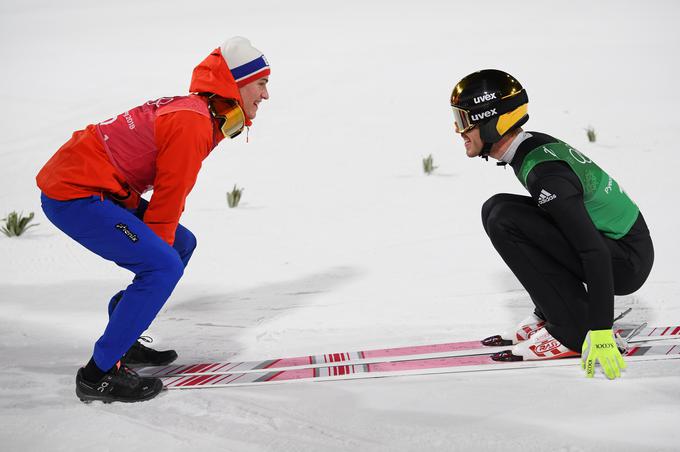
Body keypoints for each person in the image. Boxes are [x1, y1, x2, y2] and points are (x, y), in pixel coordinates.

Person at [36, 37, 270, 402]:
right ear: (235, 84)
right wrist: (156, 264)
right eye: (261, 83)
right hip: (74, 192)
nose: (266, 95)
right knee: (162, 265)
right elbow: (168, 197)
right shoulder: (193, 122)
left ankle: (123, 337)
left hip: (102, 188)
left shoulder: (202, 113)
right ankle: (97, 375)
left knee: (181, 244)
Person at [449, 69, 654, 379]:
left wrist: (598, 330)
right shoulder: (530, 149)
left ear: (492, 121)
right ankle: (555, 311)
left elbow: (593, 251)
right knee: (496, 208)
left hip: (625, 261)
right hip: (623, 246)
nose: (457, 130)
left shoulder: (547, 176)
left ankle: (572, 329)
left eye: (465, 121)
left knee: (505, 219)